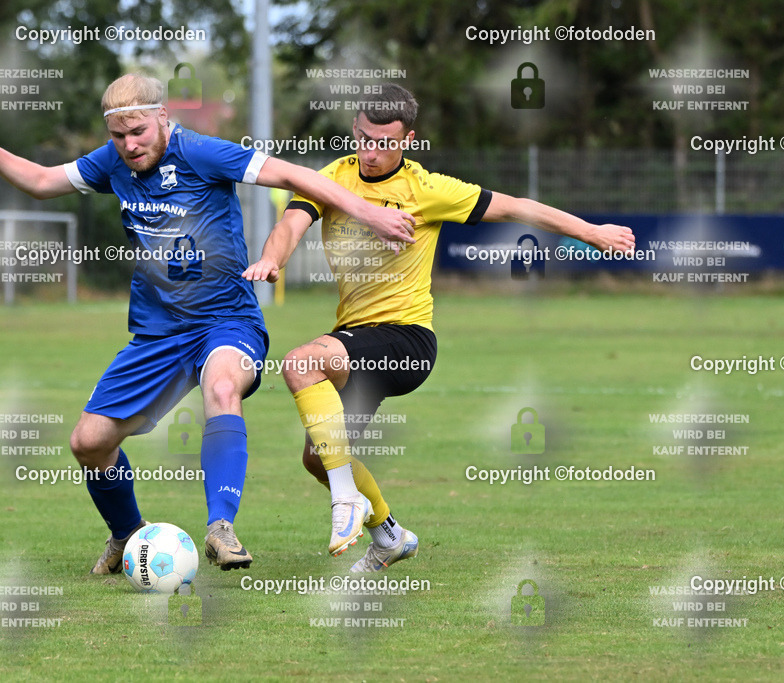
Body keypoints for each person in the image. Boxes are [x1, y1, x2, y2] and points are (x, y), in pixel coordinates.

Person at [0, 73, 416, 573]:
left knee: (222, 388)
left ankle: (220, 527)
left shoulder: (201, 152)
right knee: (88, 443)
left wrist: (367, 212)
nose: (129, 145)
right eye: (118, 135)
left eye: (137, 131)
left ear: (163, 117)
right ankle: (127, 536)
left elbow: (298, 176)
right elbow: (44, 182)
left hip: (228, 322)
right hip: (158, 332)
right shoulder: (112, 161)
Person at [243, 83, 635, 572]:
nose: (372, 150)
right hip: (356, 340)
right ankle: (389, 536)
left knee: (302, 363)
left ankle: (345, 503)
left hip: (406, 341)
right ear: (354, 128)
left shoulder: (425, 189)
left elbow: (515, 207)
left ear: (407, 138)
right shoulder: (333, 178)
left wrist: (592, 232)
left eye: (385, 142)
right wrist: (270, 260)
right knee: (318, 458)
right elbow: (291, 224)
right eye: (365, 137)